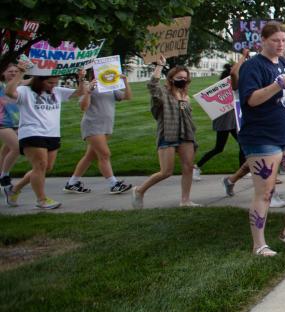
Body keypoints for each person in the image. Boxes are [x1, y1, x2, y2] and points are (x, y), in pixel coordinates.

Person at [236, 21, 285, 257]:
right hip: (262, 138)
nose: (280, 45)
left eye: (283, 40)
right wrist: (279, 84)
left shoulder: (284, 63)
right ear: (263, 41)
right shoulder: (253, 67)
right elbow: (251, 99)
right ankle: (258, 244)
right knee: (265, 192)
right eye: (275, 41)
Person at [3, 60, 89, 209]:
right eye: (50, 83)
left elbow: (80, 92)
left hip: (52, 134)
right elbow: (9, 92)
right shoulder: (25, 91)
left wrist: (81, 77)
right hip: (31, 132)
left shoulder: (57, 91)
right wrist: (20, 74)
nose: (53, 85)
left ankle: (14, 189)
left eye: (55, 83)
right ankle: (41, 200)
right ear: (39, 80)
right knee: (40, 165)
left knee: (46, 167)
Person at [132, 57, 199, 208]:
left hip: (186, 135)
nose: (182, 80)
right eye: (179, 77)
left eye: (185, 78)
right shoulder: (163, 93)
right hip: (168, 134)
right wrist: (160, 65)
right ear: (171, 78)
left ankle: (185, 200)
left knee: (188, 167)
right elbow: (151, 85)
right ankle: (139, 190)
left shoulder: (186, 97)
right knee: (166, 171)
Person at [65, 68, 133, 194]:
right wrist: (89, 92)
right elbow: (83, 107)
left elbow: (127, 97)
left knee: (89, 157)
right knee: (105, 154)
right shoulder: (88, 87)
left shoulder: (109, 87)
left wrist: (125, 81)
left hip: (106, 127)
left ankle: (72, 183)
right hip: (93, 126)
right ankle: (114, 184)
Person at [0, 62, 22, 192]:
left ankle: (1, 173)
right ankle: (5, 176)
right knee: (17, 147)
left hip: (16, 123)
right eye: (10, 71)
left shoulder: (18, 84)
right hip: (2, 123)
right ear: (3, 73)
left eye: (15, 71)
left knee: (6, 151)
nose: (13, 73)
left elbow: (32, 80)